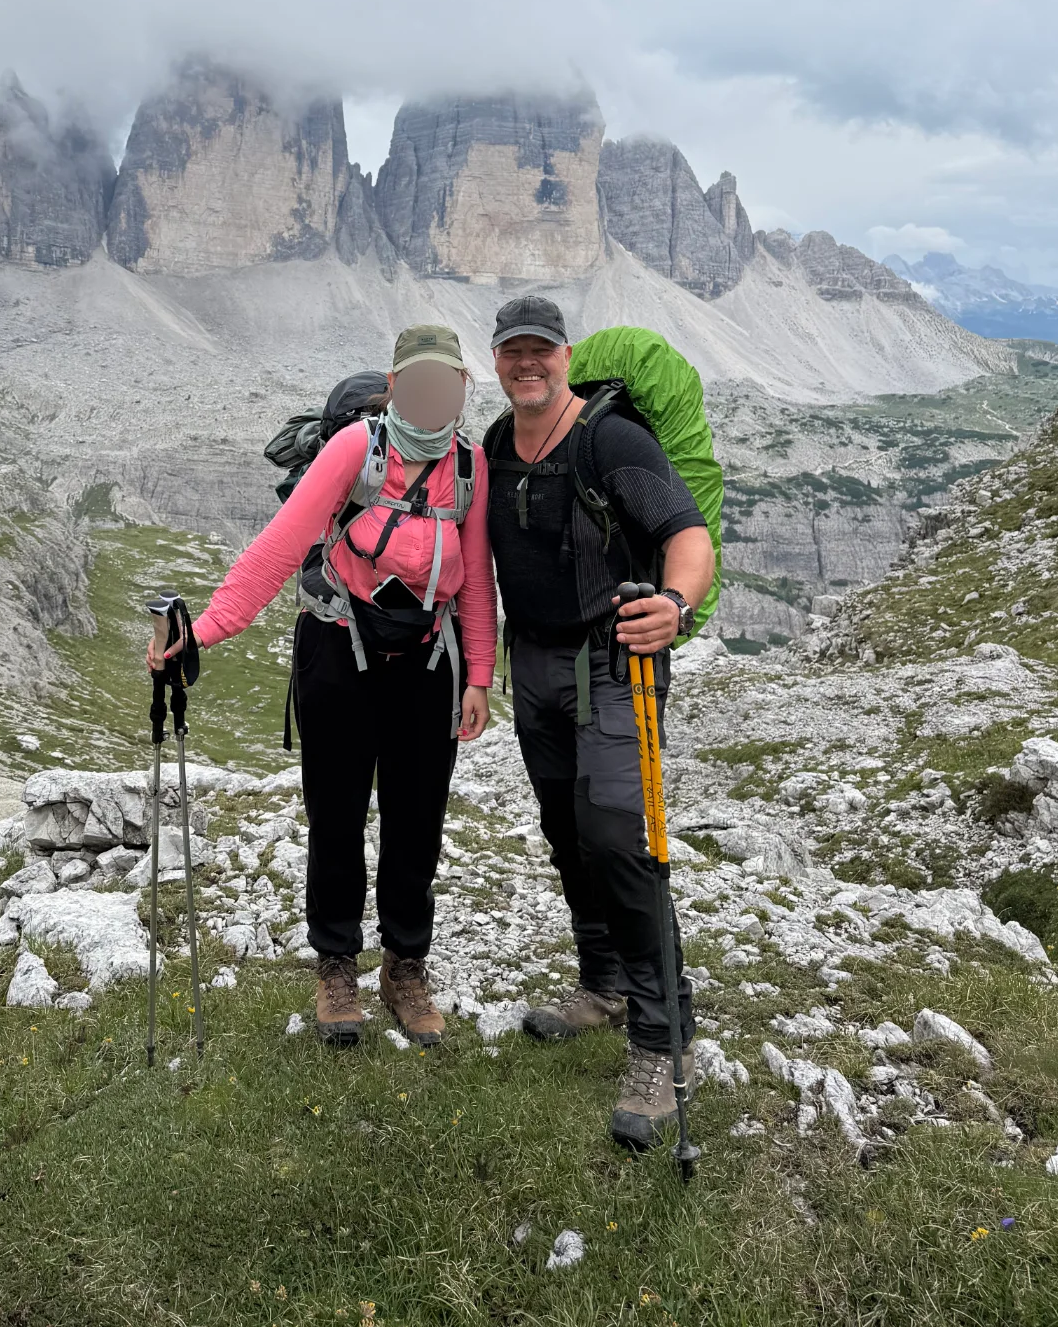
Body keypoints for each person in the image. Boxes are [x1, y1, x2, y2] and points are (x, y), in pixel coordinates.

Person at [151, 323, 495, 1047]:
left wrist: (480, 678)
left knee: (417, 821)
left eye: (448, 382)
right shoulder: (354, 449)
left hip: (429, 663)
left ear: (462, 388)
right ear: (396, 387)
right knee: (336, 815)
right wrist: (204, 631)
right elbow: (278, 548)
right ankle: (336, 967)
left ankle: (405, 969)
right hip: (338, 650)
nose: (435, 395)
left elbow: (474, 582)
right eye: (420, 382)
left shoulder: (470, 464)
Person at [482, 294, 716, 1148]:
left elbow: (688, 535)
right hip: (535, 667)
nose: (528, 363)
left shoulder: (611, 441)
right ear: (496, 361)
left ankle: (662, 1036)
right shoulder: (496, 445)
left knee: (621, 838)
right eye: (514, 351)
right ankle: (604, 983)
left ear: (567, 358)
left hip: (618, 664)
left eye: (541, 350)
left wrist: (675, 605)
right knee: (567, 831)